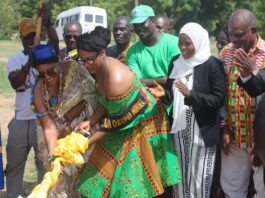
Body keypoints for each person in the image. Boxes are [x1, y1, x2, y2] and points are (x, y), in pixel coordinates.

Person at [75, 26, 181, 197]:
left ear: (102, 52)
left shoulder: (115, 78)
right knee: (100, 177)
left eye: (89, 60)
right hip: (122, 122)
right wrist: (91, 121)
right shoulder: (100, 68)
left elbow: (114, 124)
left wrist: (84, 143)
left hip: (144, 125)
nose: (86, 65)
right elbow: (106, 102)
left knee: (135, 182)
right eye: (82, 60)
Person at [152, 22, 225, 198]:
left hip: (202, 134)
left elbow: (218, 99)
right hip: (180, 132)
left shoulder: (212, 64)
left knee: (200, 181)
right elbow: (172, 96)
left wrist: (190, 94)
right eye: (181, 43)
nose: (183, 48)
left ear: (199, 42)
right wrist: (162, 95)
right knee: (182, 179)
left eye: (188, 43)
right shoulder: (176, 62)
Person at [5, 4, 59, 198]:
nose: (29, 40)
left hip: (43, 120)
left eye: (32, 36)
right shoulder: (14, 60)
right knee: (14, 164)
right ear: (20, 37)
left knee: (45, 163)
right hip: (21, 119)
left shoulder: (45, 54)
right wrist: (30, 61)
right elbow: (15, 82)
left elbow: (55, 42)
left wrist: (47, 22)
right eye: (25, 37)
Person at [31, 44, 97, 197]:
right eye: (41, 74)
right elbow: (48, 127)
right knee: (58, 178)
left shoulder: (75, 70)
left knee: (84, 180)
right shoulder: (39, 91)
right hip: (54, 137)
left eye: (50, 71)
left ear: (57, 63)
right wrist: (54, 156)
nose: (46, 77)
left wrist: (80, 107)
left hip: (83, 133)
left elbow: (94, 94)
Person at [219, 9, 265, 198]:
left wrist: (261, 142)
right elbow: (222, 92)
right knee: (232, 189)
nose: (234, 41)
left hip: (261, 139)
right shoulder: (225, 53)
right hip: (235, 135)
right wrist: (224, 127)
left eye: (239, 35)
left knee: (262, 190)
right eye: (231, 35)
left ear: (253, 30)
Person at [127, 5, 180, 88]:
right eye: (136, 25)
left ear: (153, 21)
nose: (139, 28)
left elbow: (176, 79)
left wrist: (147, 81)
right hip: (145, 99)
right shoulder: (132, 52)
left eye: (142, 23)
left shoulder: (175, 43)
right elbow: (136, 82)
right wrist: (161, 80)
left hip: (173, 98)